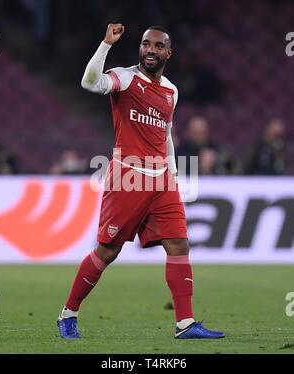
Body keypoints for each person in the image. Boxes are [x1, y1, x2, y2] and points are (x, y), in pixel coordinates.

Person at [57, 24, 224, 340]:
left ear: (167, 53)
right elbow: (89, 82)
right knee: (107, 251)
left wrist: (172, 174)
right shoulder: (125, 77)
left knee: (178, 244)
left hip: (162, 180)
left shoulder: (171, 91)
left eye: (158, 46)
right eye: (146, 44)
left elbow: (167, 135)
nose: (150, 50)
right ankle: (68, 314)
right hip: (128, 177)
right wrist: (106, 44)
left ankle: (185, 324)